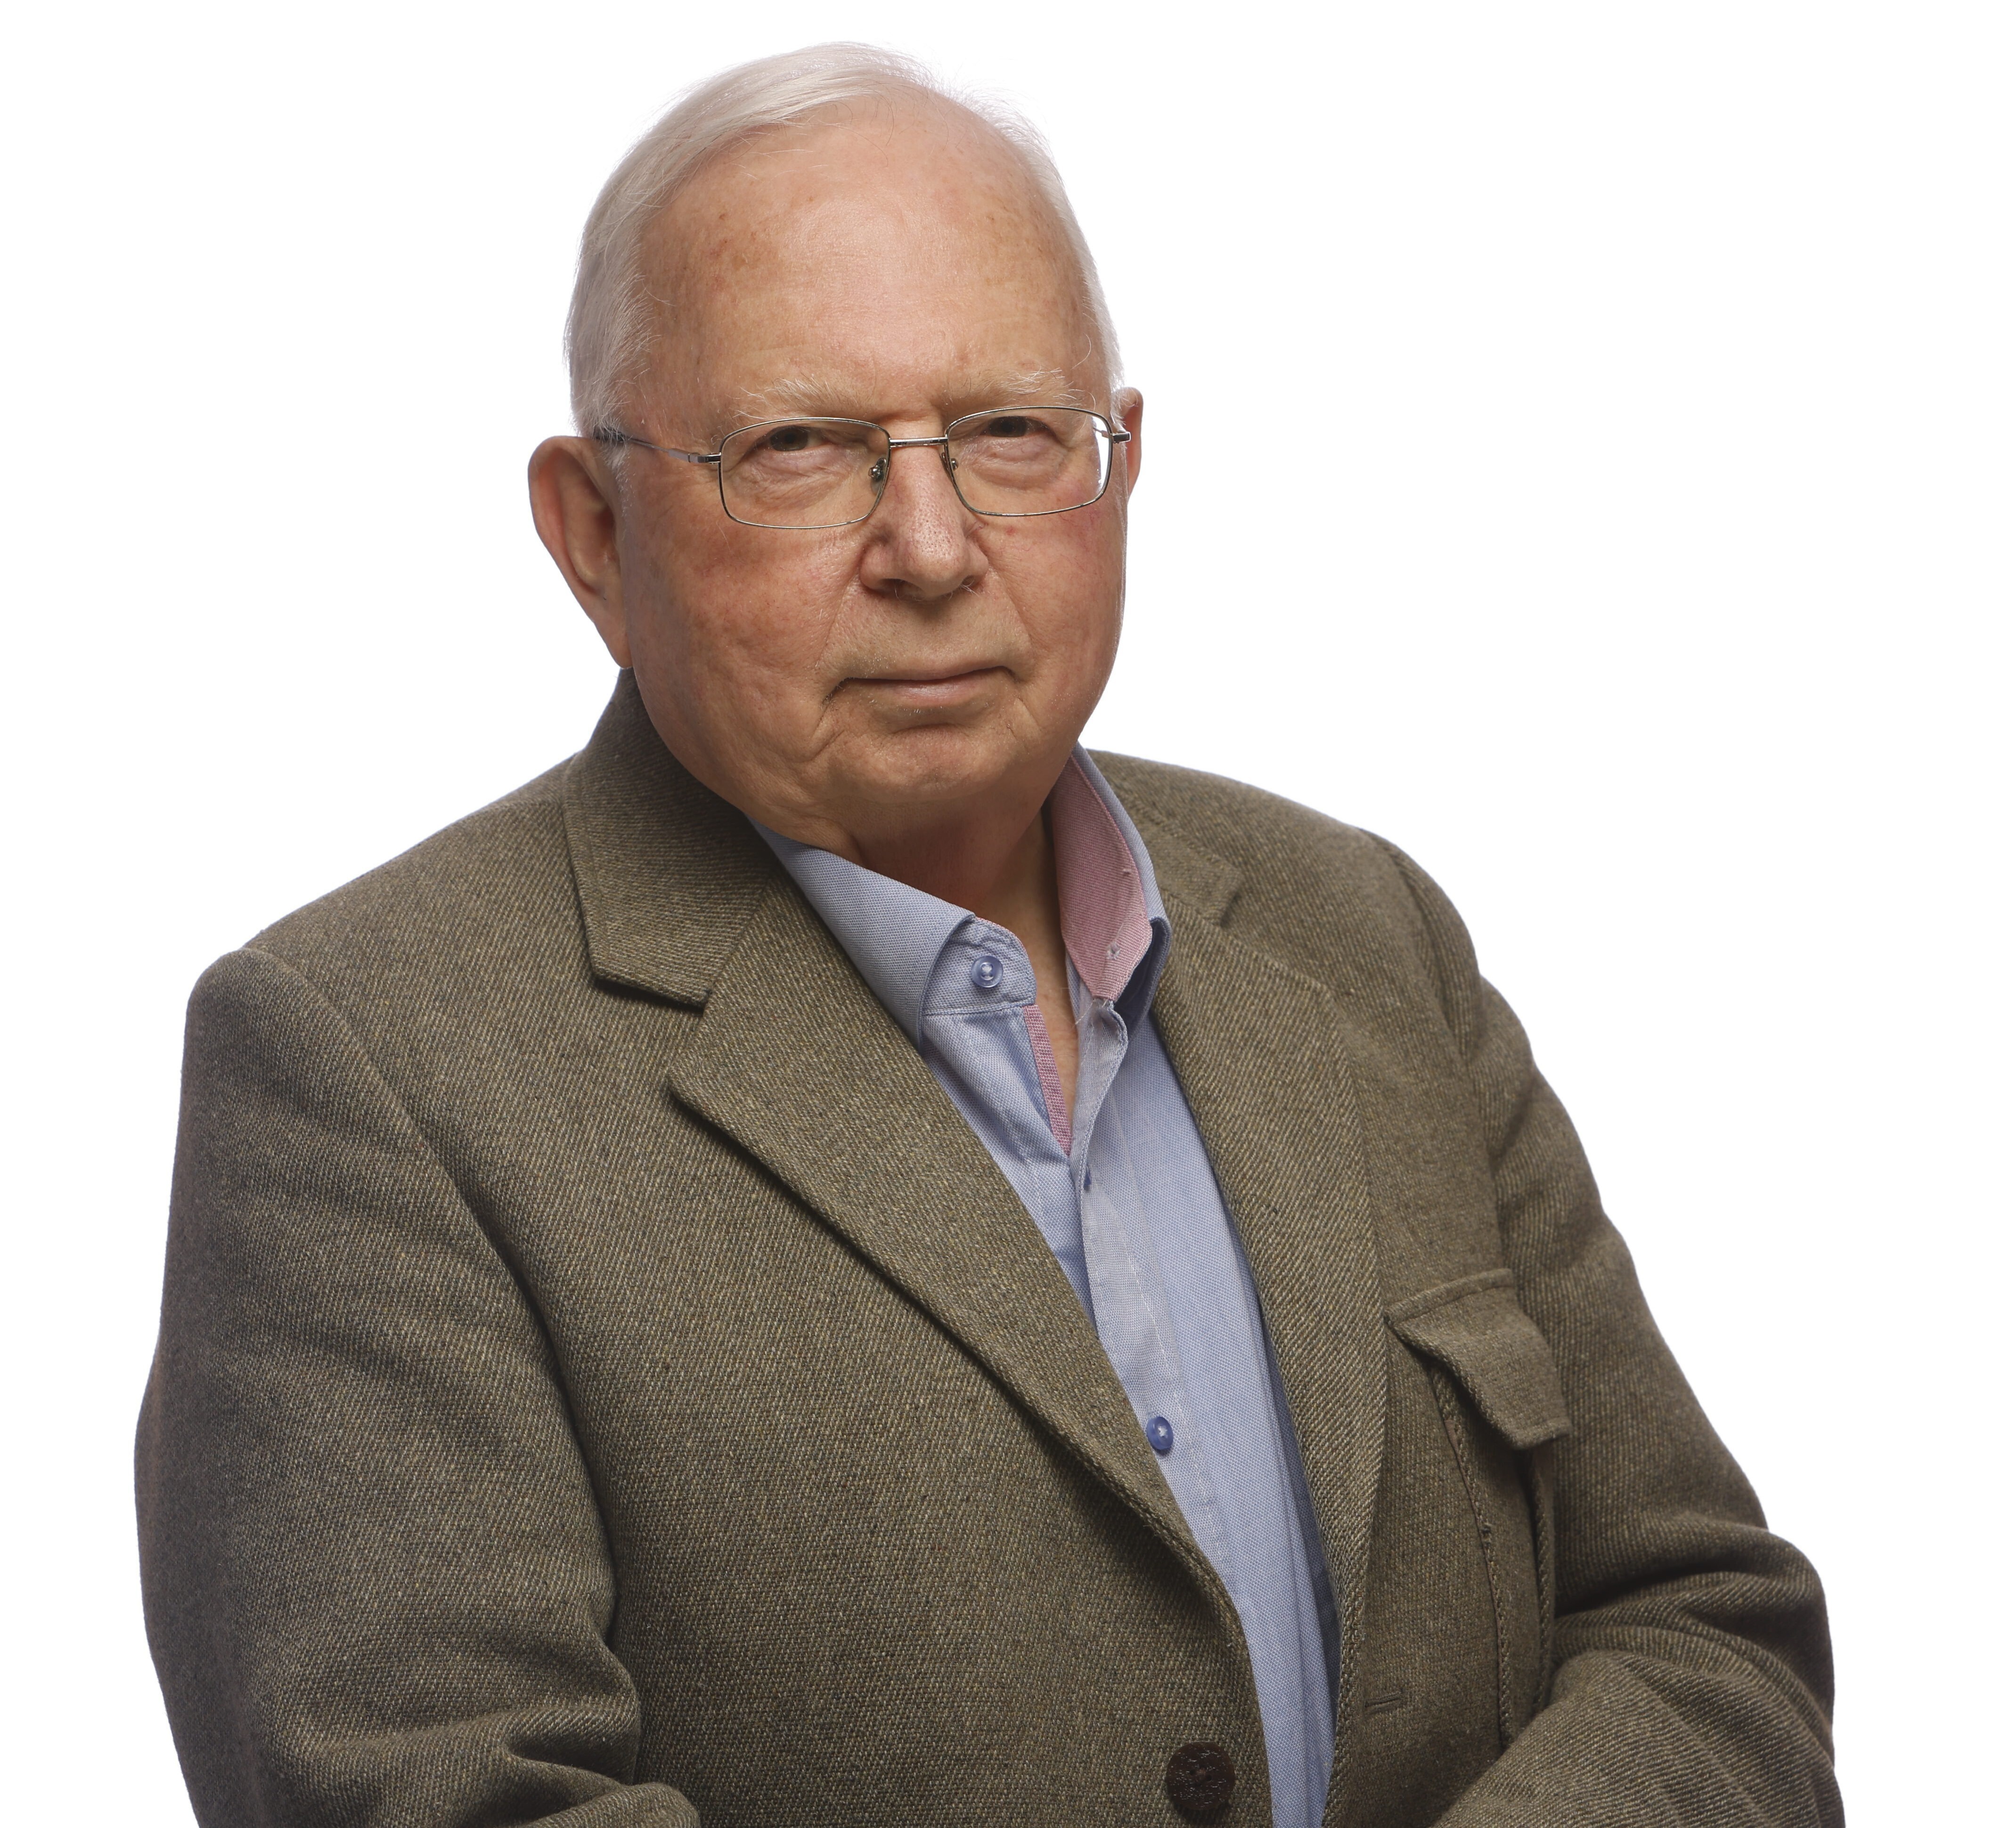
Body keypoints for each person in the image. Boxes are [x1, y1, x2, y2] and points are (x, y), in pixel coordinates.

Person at [137, 42, 1840, 1828]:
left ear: (1123, 466)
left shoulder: (1360, 929)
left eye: (1012, 434)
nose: (934, 546)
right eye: (802, 448)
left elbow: (1701, 1629)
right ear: (592, 534)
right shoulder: (367, 1064)